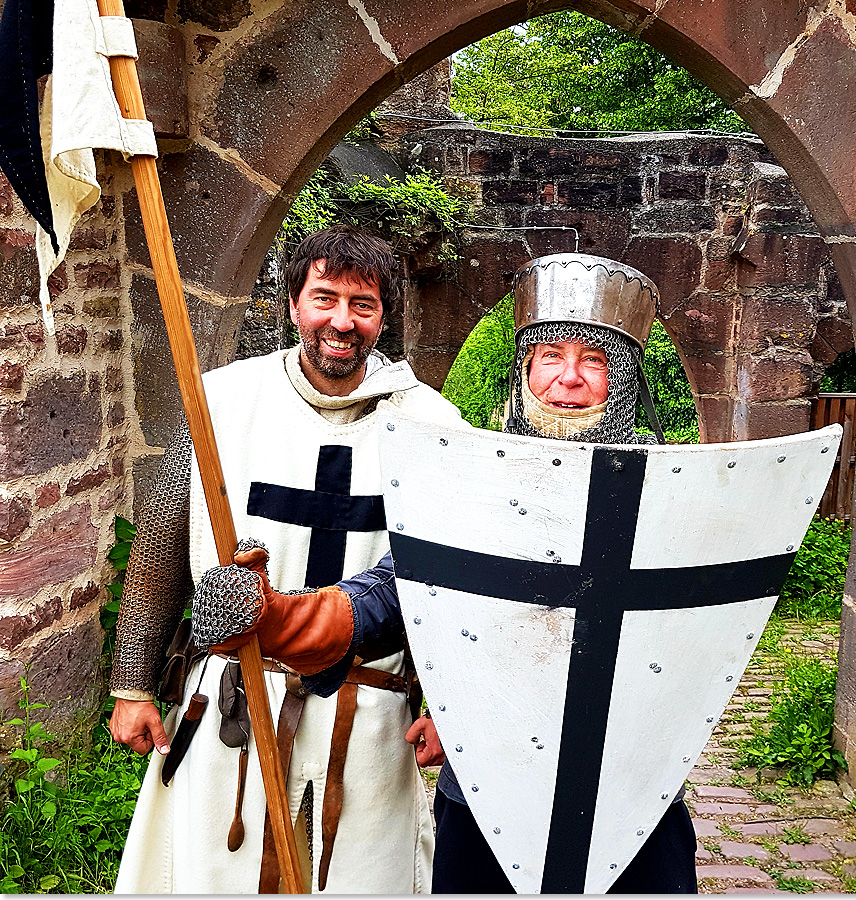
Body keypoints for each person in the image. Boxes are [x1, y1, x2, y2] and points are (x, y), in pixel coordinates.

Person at [193, 253, 697, 893]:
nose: (569, 379)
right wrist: (281, 617)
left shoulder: (675, 500)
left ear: (622, 376)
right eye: (551, 357)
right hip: (485, 774)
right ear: (525, 370)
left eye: (593, 361)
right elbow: (395, 592)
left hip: (630, 784)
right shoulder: (476, 481)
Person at [108, 225, 462, 893]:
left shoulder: (434, 426)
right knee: (216, 876)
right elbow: (159, 551)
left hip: (370, 709)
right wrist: (132, 686)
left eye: (363, 304)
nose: (342, 321)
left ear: (383, 315)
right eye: (324, 298)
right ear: (294, 303)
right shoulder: (222, 402)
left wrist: (449, 706)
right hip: (235, 700)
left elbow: (456, 587)